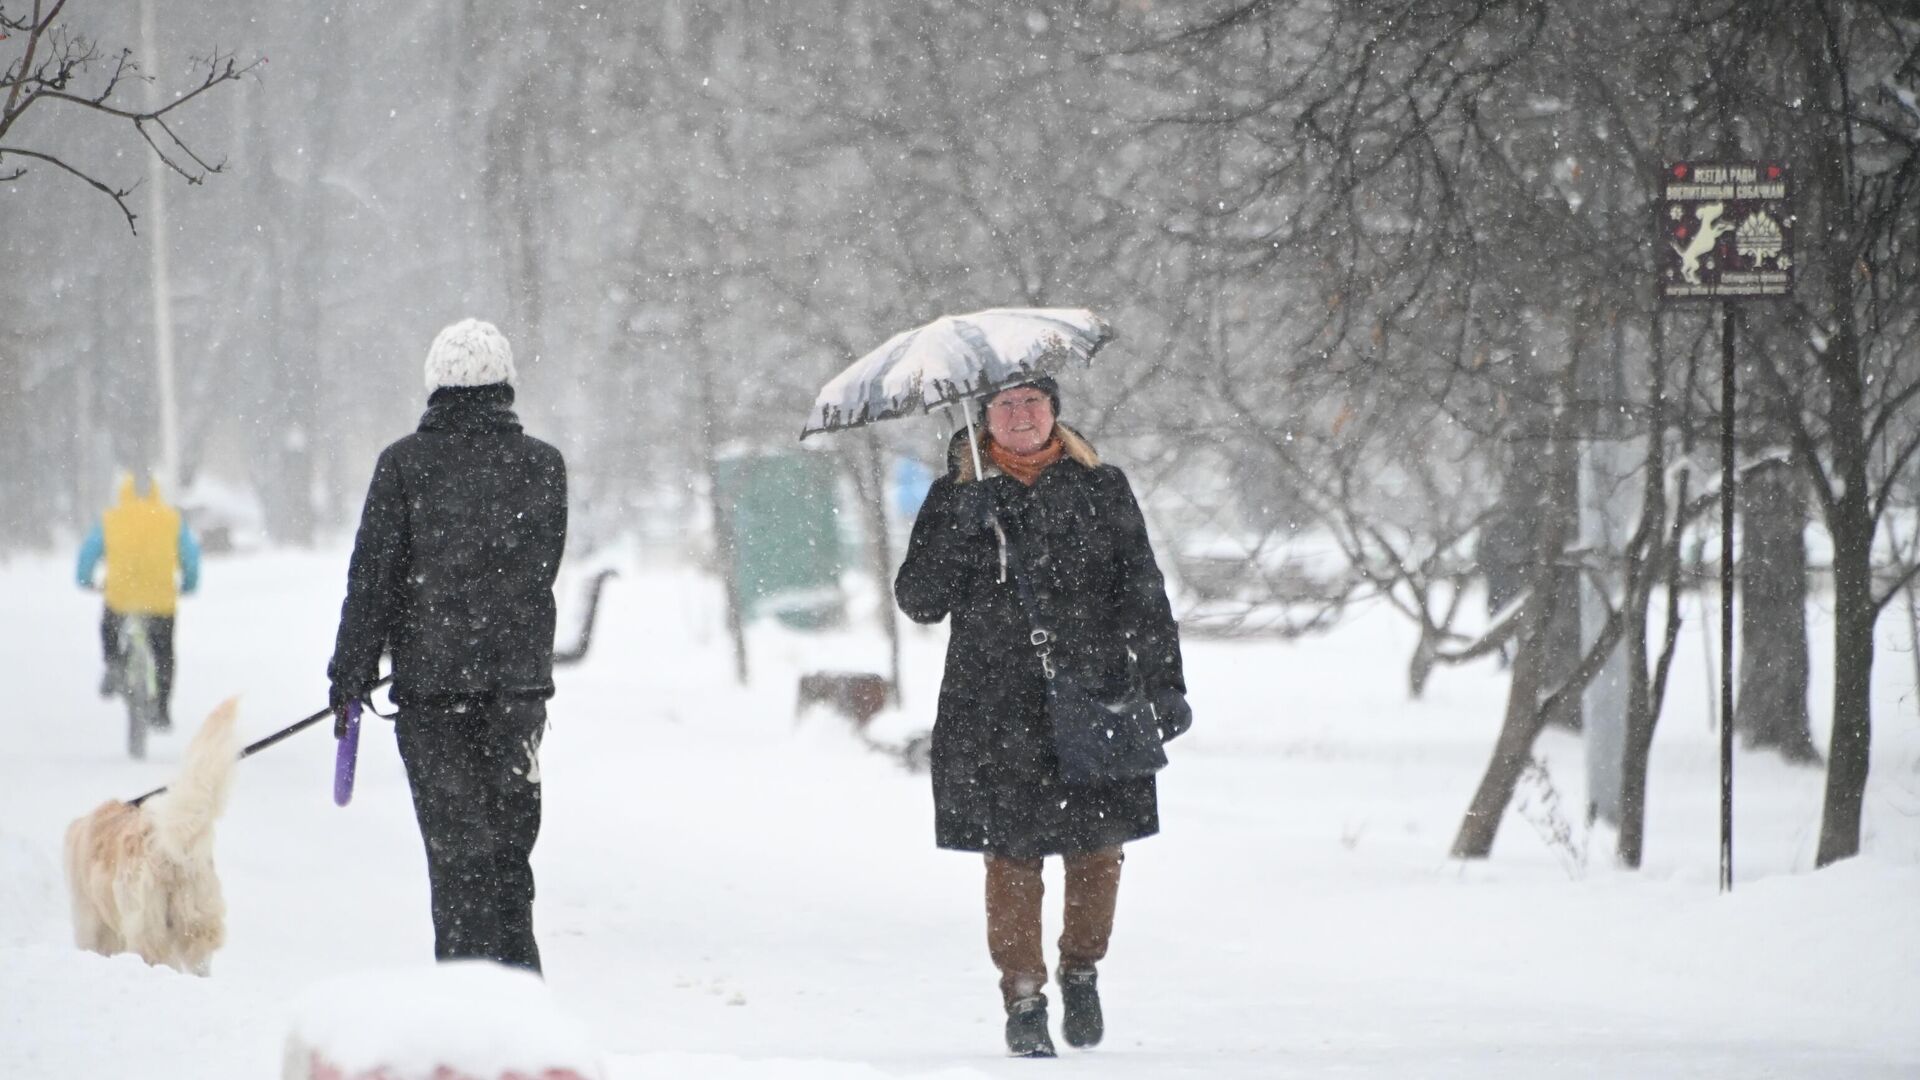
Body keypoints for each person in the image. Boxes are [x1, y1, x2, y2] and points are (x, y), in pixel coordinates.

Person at [893, 375, 1187, 1057]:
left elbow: (1142, 588)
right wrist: (960, 532)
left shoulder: (1100, 486)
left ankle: (1081, 968)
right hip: (993, 703)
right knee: (1012, 854)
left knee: (1099, 848)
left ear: (1054, 410)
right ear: (985, 417)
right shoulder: (956, 495)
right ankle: (1023, 998)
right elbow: (919, 600)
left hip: (1094, 690)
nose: (1020, 415)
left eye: (1032, 401)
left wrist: (1165, 683)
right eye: (1005, 404)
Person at [328, 318, 567, 974]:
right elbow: (536, 574)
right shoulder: (544, 467)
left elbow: (371, 578)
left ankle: (466, 1030)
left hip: (433, 700)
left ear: (435, 386)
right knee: (509, 867)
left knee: (457, 868)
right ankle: (522, 1024)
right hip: (517, 699)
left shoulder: (404, 466)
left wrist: (350, 674)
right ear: (506, 385)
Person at [76, 474, 201, 729]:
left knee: (109, 626)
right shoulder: (170, 519)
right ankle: (162, 709)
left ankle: (113, 663)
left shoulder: (111, 519)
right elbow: (190, 556)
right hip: (161, 600)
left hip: (121, 596)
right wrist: (189, 584)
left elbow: (89, 552)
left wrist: (85, 580)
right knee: (164, 653)